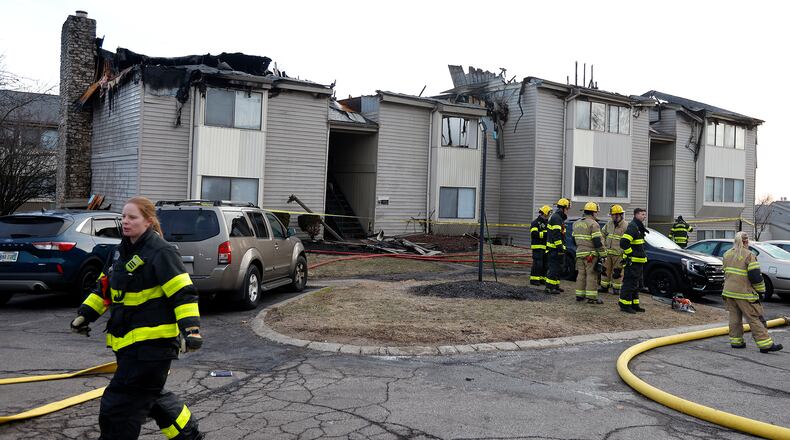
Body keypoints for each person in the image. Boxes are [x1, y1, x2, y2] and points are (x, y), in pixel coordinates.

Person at [70, 196, 205, 440]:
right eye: (123, 216)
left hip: (153, 348)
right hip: (128, 348)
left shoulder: (161, 252)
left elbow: (183, 293)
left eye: (132, 217)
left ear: (148, 221)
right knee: (150, 397)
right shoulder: (119, 253)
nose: (125, 222)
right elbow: (104, 289)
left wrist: (191, 329)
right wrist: (85, 315)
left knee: (118, 406)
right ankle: (187, 434)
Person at [722, 232, 783, 353]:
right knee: (754, 318)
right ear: (746, 242)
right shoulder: (749, 255)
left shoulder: (727, 254)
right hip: (744, 293)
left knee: (734, 318)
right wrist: (761, 291)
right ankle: (765, 344)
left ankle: (736, 342)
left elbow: (727, 272)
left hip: (729, 292)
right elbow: (756, 277)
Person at [571, 202, 606, 304]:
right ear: (593, 212)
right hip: (590, 254)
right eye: (596, 212)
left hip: (579, 253)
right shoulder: (594, 224)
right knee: (591, 275)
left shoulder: (576, 223)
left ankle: (579, 295)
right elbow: (597, 241)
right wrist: (603, 254)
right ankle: (591, 298)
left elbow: (573, 240)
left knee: (581, 274)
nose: (597, 214)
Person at [619, 208, 648, 314]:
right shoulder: (633, 227)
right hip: (633, 262)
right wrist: (630, 254)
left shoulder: (639, 227)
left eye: (645, 214)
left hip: (638, 262)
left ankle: (634, 305)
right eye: (642, 214)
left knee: (636, 285)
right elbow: (624, 242)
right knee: (629, 284)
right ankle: (624, 305)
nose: (644, 216)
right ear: (636, 215)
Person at [544, 198, 571, 294]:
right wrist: (560, 248)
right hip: (554, 249)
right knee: (554, 268)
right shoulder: (556, 218)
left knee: (558, 268)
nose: (568, 211)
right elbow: (556, 235)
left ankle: (555, 286)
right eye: (567, 209)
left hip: (556, 249)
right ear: (563, 208)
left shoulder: (558, 218)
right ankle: (550, 287)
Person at [599, 205, 627, 296]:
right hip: (607, 253)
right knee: (605, 270)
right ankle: (604, 287)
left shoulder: (626, 226)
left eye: (613, 215)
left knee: (617, 272)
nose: (611, 217)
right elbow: (602, 234)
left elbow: (628, 240)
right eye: (611, 215)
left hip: (619, 254)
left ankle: (616, 289)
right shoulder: (609, 224)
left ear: (618, 215)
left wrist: (623, 251)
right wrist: (603, 244)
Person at [529, 205, 551, 286]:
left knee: (545, 264)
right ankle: (534, 280)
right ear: (545, 213)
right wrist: (545, 234)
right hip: (537, 247)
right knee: (538, 264)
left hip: (545, 247)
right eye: (549, 213)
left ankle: (542, 279)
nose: (549, 215)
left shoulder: (547, 223)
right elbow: (534, 234)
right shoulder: (535, 223)